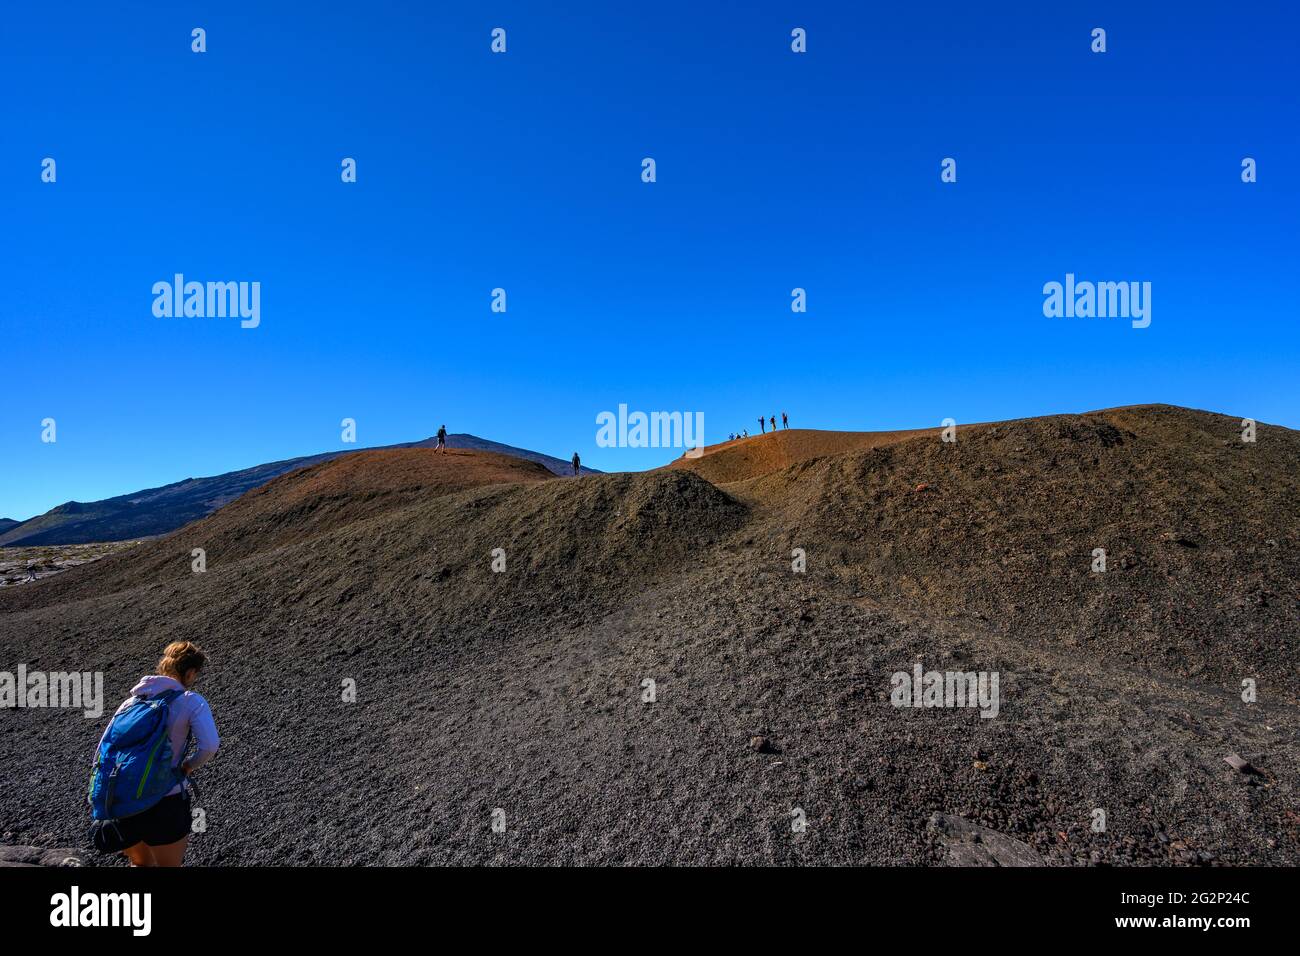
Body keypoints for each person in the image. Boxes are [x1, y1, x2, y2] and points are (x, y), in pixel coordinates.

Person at [100, 641, 219, 867]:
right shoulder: (191, 701)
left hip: (124, 800)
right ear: (190, 673)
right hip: (166, 798)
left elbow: (105, 749)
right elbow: (210, 746)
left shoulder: (130, 703)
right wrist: (187, 766)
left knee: (140, 865)